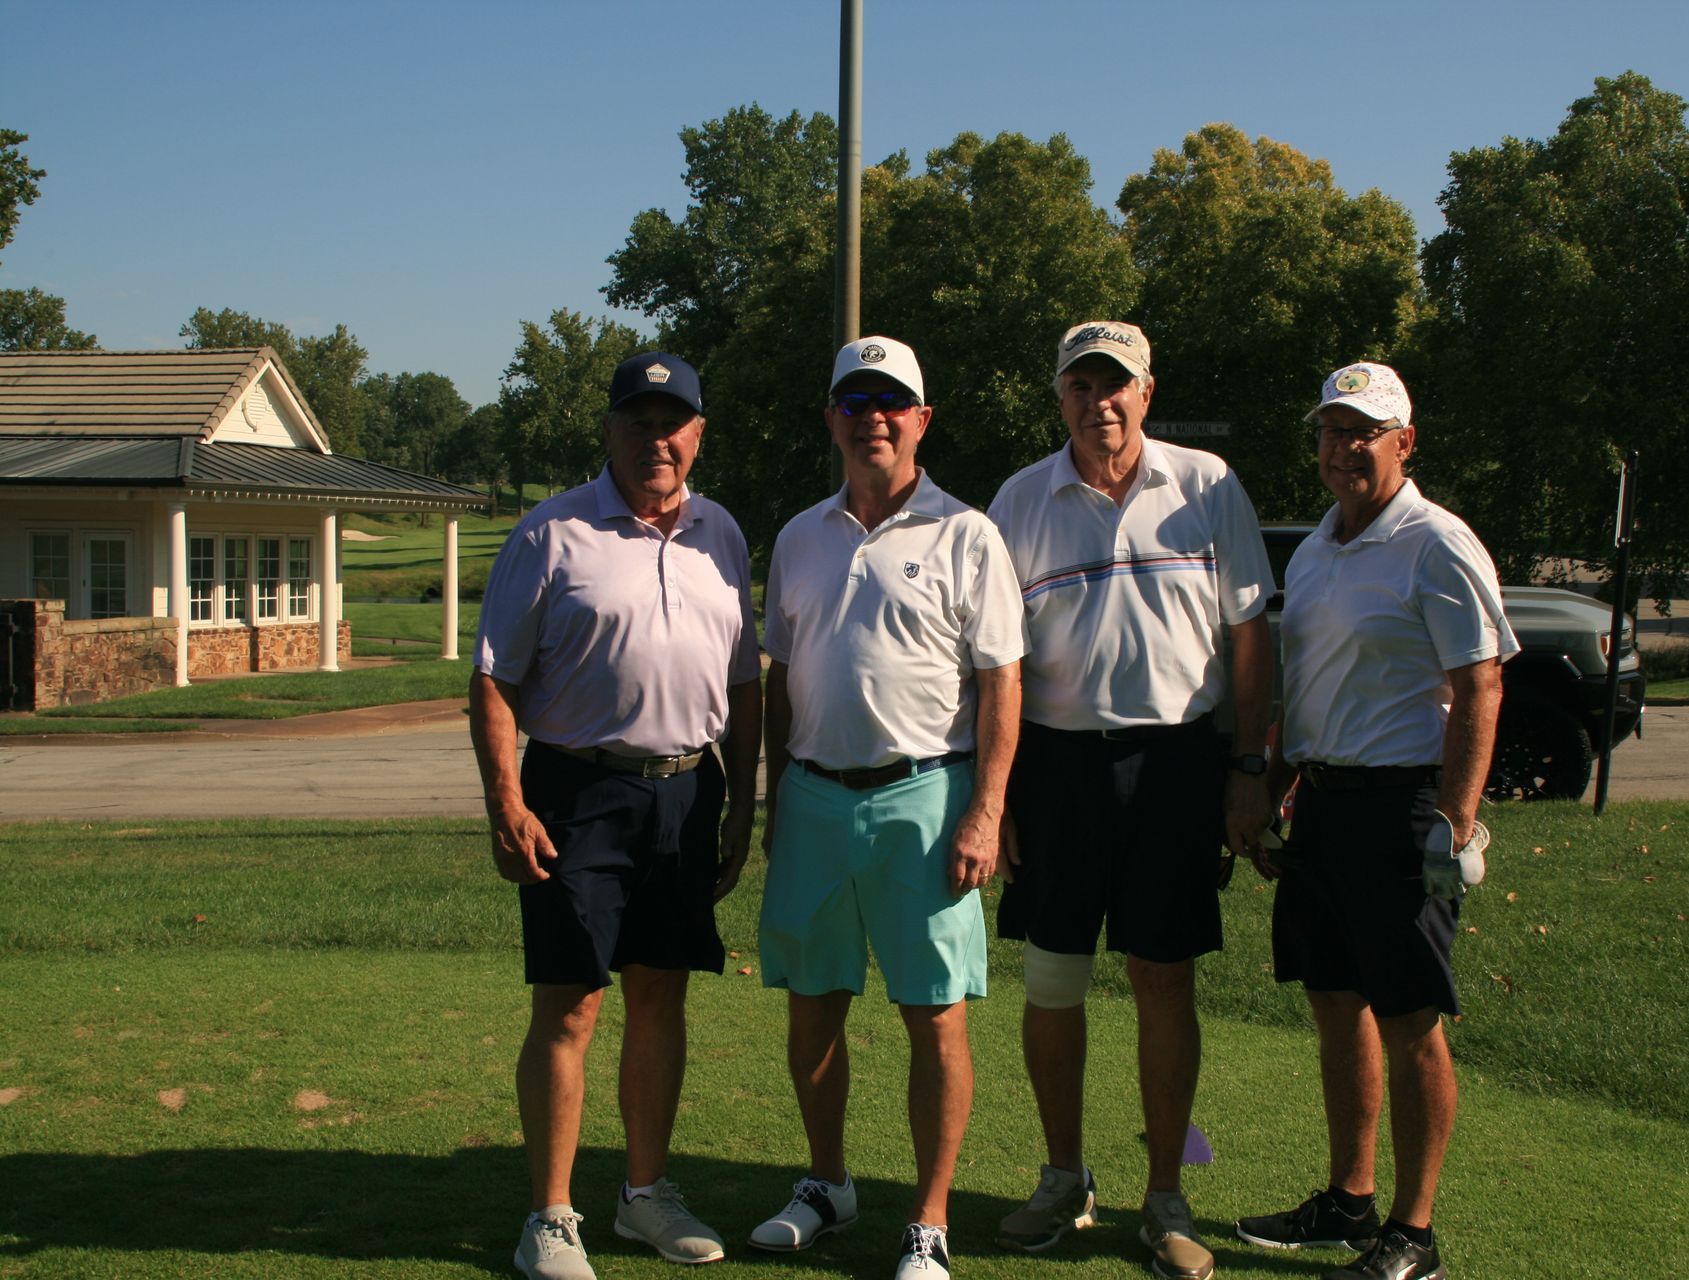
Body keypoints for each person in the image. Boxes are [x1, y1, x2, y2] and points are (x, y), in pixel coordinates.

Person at [986, 321, 1274, 1280]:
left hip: (1177, 768)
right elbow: (1000, 664)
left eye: (1118, 385)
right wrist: (1003, 795)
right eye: (1081, 385)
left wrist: (1247, 765)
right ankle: (1063, 1177)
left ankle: (1165, 1197)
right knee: (1053, 979)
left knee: (1162, 978)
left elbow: (1247, 639)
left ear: (1148, 392)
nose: (1099, 402)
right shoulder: (1021, 500)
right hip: (1056, 767)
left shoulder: (1206, 484)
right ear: (1059, 396)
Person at [470, 352, 762, 1280]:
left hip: (688, 791)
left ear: (699, 435)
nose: (657, 439)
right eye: (638, 421)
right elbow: (493, 679)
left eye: (673, 422)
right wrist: (506, 801)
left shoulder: (724, 533)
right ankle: (550, 1218)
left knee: (660, 992)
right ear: (610, 431)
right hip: (575, 792)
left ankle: (644, 1195)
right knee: (570, 1003)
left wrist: (743, 802)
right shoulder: (551, 534)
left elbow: (745, 681)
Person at [751, 336, 1025, 1280]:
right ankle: (827, 1185)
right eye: (854, 401)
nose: (873, 416)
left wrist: (986, 810)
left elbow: (1002, 682)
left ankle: (929, 1221)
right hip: (814, 799)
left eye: (891, 402)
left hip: (927, 797)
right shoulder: (798, 535)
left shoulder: (968, 533)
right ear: (832, 417)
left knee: (934, 1015)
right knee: (813, 1008)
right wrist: (774, 798)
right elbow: (780, 679)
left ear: (921, 419)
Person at [1236, 362, 1515, 1280]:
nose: (1345, 449)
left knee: (1408, 1015)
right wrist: (1273, 787)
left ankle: (1415, 1233)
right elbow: (1302, 686)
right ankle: (1349, 1200)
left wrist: (1456, 820)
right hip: (1322, 803)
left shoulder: (1437, 543)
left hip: (1404, 810)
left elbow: (1481, 683)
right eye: (1332, 430)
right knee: (1334, 1001)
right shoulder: (1316, 549)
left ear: (1405, 440)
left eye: (1366, 432)